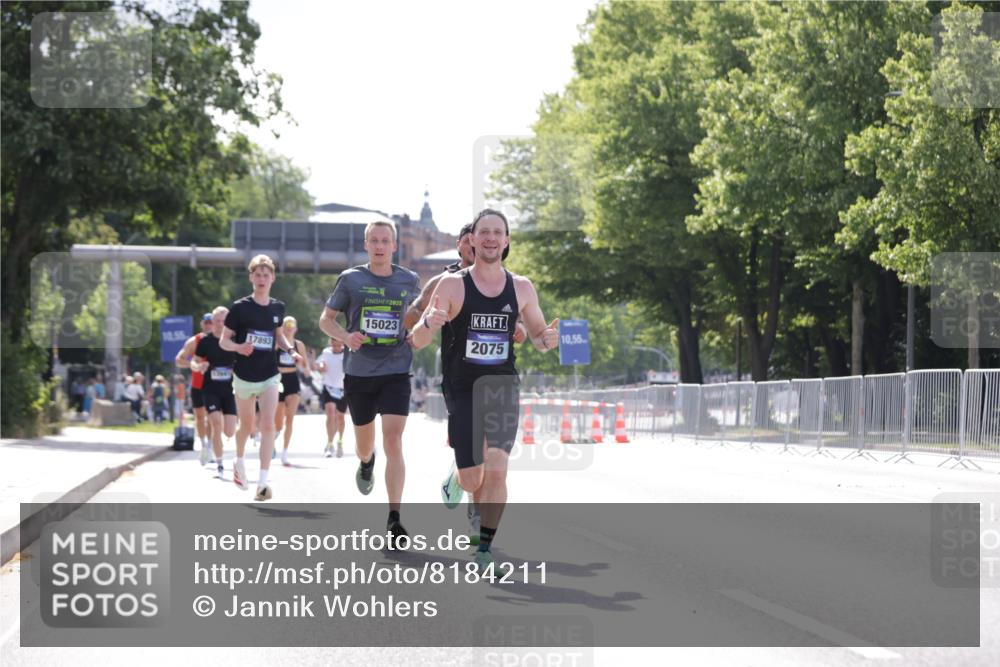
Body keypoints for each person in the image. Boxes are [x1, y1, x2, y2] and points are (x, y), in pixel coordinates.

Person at [411, 208, 560, 569]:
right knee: (472, 476)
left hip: (502, 387)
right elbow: (416, 340)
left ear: (507, 240)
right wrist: (429, 322)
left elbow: (539, 338)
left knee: (497, 470)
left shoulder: (521, 287)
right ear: (472, 240)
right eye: (484, 232)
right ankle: (459, 472)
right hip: (462, 388)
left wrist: (550, 340)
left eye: (498, 232)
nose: (491, 238)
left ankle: (484, 549)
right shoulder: (451, 285)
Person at [403, 222, 525, 538]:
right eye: (472, 244)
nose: (478, 249)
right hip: (460, 379)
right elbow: (413, 317)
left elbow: (519, 323)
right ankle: (463, 480)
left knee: (490, 456)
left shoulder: (501, 281)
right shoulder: (445, 282)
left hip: (497, 381)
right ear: (462, 244)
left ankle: (477, 519)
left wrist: (522, 331)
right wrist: (426, 323)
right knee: (475, 463)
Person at [319, 220, 420, 545]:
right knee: (365, 447)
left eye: (385, 240)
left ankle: (394, 518)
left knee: (394, 441)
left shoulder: (409, 280)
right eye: (374, 240)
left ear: (394, 246)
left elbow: (418, 318)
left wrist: (420, 332)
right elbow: (325, 320)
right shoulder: (351, 280)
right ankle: (366, 462)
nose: (379, 245)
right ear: (366, 245)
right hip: (360, 373)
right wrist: (347, 337)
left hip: (396, 370)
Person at [220, 254, 300, 501]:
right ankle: (239, 460)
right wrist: (239, 347)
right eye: (258, 274)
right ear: (251, 277)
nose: (262, 278)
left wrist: (289, 349)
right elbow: (224, 341)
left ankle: (263, 484)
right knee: (247, 427)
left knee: (268, 425)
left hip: (269, 375)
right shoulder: (240, 308)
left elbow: (278, 336)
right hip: (244, 376)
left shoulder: (277, 307)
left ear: (273, 278)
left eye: (266, 275)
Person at [193, 306, 238, 478]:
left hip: (229, 390)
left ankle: (218, 446)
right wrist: (199, 366)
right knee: (216, 424)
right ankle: (219, 463)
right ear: (212, 322)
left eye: (223, 321)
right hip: (210, 388)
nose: (220, 324)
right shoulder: (205, 341)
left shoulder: (234, 339)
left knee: (229, 431)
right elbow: (194, 362)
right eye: (217, 321)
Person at [176, 314, 214, 462]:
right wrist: (192, 365)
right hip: (197, 384)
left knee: (212, 417)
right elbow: (179, 360)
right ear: (202, 324)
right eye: (206, 322)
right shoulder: (194, 341)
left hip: (214, 385)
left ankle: (210, 446)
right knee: (199, 416)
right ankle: (203, 444)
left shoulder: (221, 340)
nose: (208, 325)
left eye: (211, 322)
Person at [275, 316, 309, 466]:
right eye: (286, 324)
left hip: (292, 380)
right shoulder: (277, 342)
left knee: (290, 418)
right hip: (277, 379)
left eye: (291, 324)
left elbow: (305, 364)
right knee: (278, 420)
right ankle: (275, 433)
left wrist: (306, 369)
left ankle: (285, 452)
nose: (289, 327)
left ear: (296, 328)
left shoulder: (298, 345)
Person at [314, 337, 348, 457]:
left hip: (343, 388)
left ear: (342, 343)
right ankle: (329, 443)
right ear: (331, 343)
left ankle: (339, 440)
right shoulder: (326, 352)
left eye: (339, 345)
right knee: (330, 414)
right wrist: (320, 366)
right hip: (328, 387)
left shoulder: (348, 352)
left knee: (340, 418)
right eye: (334, 345)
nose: (337, 347)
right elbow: (317, 364)